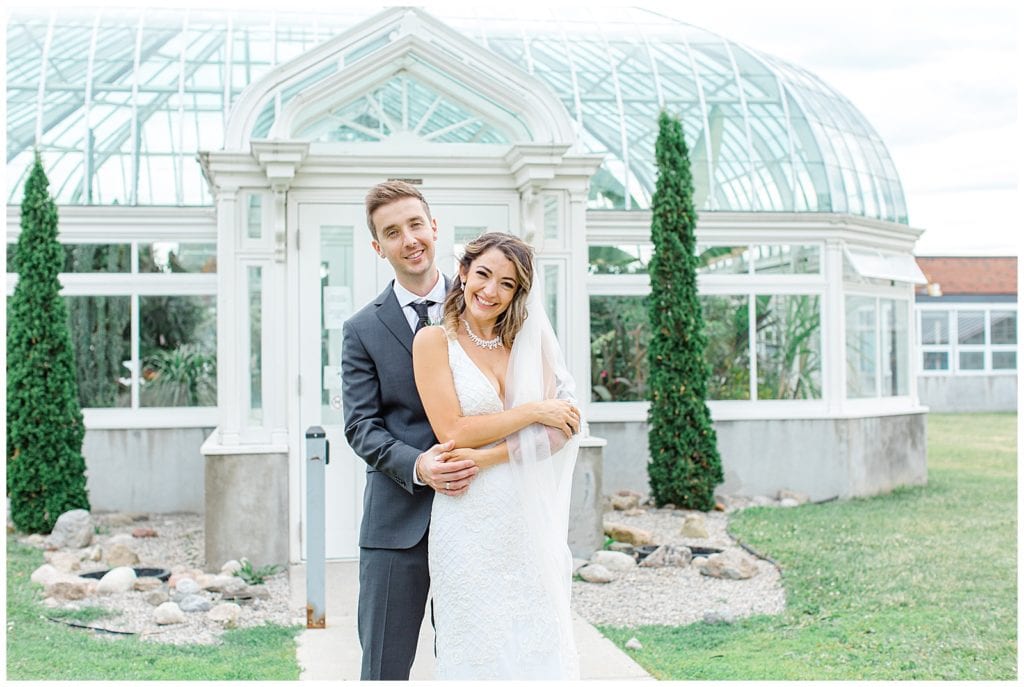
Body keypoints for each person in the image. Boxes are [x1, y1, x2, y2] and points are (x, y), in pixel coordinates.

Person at [342, 182, 580, 680]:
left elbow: (560, 411)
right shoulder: (362, 329)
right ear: (378, 247)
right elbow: (361, 425)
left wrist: (502, 447)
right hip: (399, 521)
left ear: (434, 228)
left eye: (415, 224)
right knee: (384, 668)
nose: (409, 239)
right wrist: (420, 465)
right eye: (392, 232)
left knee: (487, 655)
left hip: (492, 516)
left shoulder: (493, 298)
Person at [413, 232, 584, 679]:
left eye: (506, 284)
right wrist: (533, 411)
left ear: (518, 292)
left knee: (535, 634)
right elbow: (453, 432)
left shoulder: (532, 343)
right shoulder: (433, 342)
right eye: (483, 275)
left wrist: (487, 458)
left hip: (526, 510)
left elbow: (561, 429)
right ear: (463, 272)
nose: (490, 291)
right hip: (467, 513)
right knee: (477, 639)